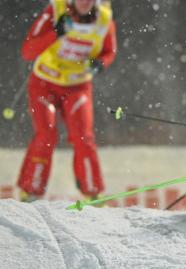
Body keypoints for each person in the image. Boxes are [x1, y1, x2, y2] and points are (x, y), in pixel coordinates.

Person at [17, 0, 116, 202]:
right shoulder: (55, 10)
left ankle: (92, 193)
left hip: (77, 86)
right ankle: (31, 191)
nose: (84, 2)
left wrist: (100, 64)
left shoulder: (104, 19)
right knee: (46, 134)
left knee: (83, 138)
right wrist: (56, 32)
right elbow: (28, 51)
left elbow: (109, 52)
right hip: (44, 84)